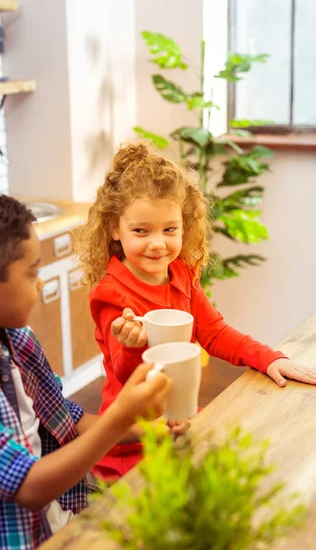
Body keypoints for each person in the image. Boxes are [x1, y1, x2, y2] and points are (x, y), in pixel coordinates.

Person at [0, 191, 179, 550]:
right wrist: (121, 414)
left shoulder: (16, 337)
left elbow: (62, 419)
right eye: (31, 273)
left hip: (52, 523)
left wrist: (144, 429)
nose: (39, 283)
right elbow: (27, 486)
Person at [75, 142, 316, 480]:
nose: (157, 243)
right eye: (141, 230)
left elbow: (215, 332)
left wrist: (270, 358)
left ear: (183, 226)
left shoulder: (182, 275)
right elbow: (127, 374)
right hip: (131, 440)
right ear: (115, 228)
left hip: (177, 420)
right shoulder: (111, 293)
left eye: (169, 229)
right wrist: (132, 344)